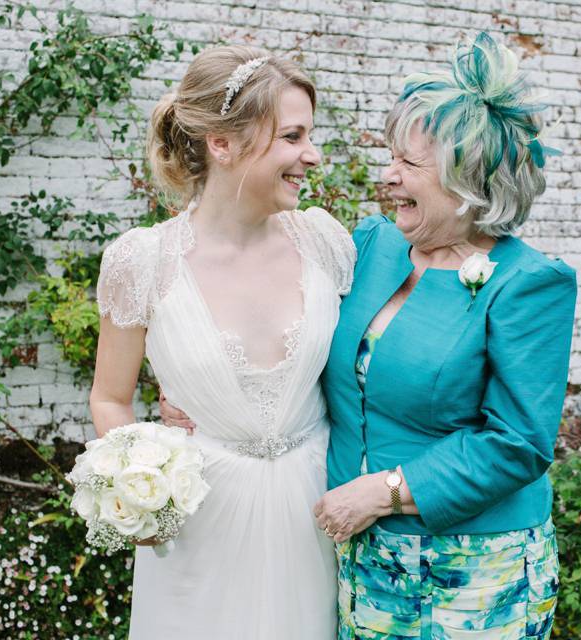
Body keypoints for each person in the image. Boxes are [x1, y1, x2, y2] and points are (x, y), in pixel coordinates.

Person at [312, 33, 576, 639]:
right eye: (391, 156)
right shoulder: (372, 245)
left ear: (469, 183)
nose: (387, 175)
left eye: (409, 163)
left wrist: (382, 492)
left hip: (475, 570)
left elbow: (518, 442)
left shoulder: (530, 284)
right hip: (365, 552)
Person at [90, 45, 355, 640]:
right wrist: (142, 485)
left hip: (316, 514)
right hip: (200, 525)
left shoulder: (325, 243)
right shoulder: (142, 261)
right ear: (223, 144)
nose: (311, 155)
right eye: (292, 137)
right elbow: (110, 398)